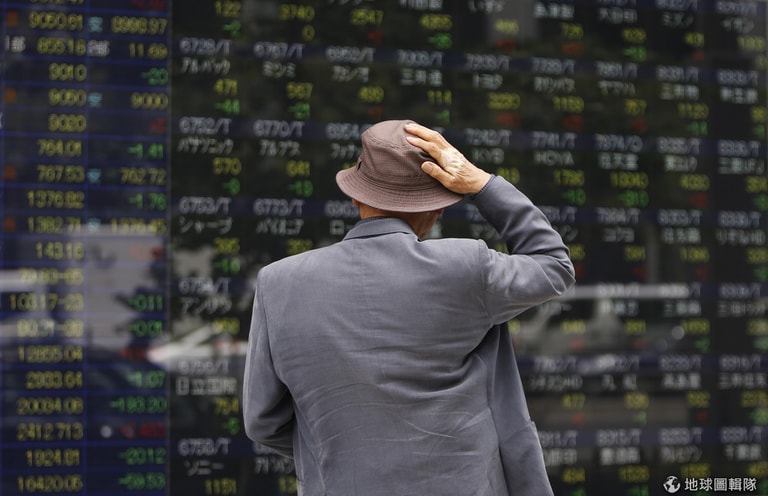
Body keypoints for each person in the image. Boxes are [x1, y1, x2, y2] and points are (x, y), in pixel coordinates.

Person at [243, 120, 576, 496]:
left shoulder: (277, 283)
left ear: (355, 197)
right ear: (438, 209)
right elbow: (554, 264)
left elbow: (262, 422)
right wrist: (482, 184)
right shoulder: (466, 266)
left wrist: (338, 456)